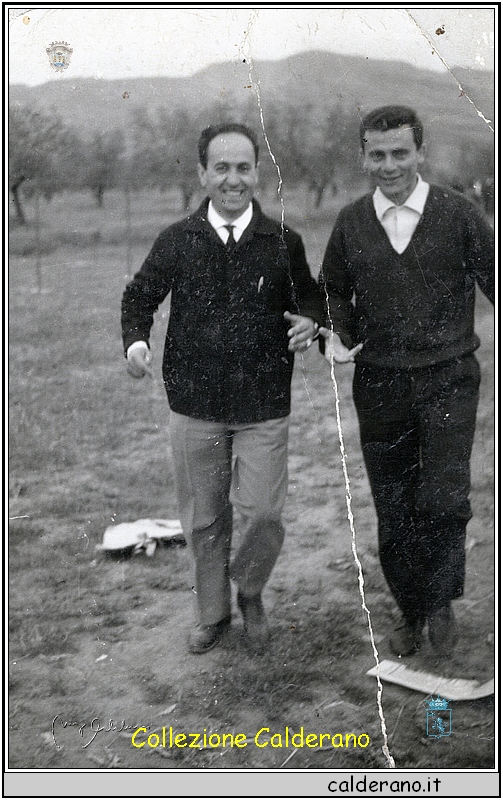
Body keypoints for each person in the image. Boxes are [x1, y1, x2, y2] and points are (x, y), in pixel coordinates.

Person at [121, 122, 324, 654]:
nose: (233, 179)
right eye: (221, 168)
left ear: (258, 173)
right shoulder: (177, 240)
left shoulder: (283, 242)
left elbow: (311, 299)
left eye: (243, 168)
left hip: (263, 402)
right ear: (202, 174)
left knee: (262, 512)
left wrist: (310, 322)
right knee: (205, 517)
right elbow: (139, 297)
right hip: (194, 403)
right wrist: (136, 344)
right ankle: (212, 614)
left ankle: (250, 590)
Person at [318, 106, 494, 659]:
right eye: (377, 154)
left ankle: (439, 603)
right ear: (363, 157)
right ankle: (409, 611)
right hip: (379, 385)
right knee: (393, 504)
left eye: (400, 153)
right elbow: (332, 295)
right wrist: (335, 335)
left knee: (442, 497)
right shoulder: (350, 223)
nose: (389, 165)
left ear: (421, 153)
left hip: (448, 381)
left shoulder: (462, 215)